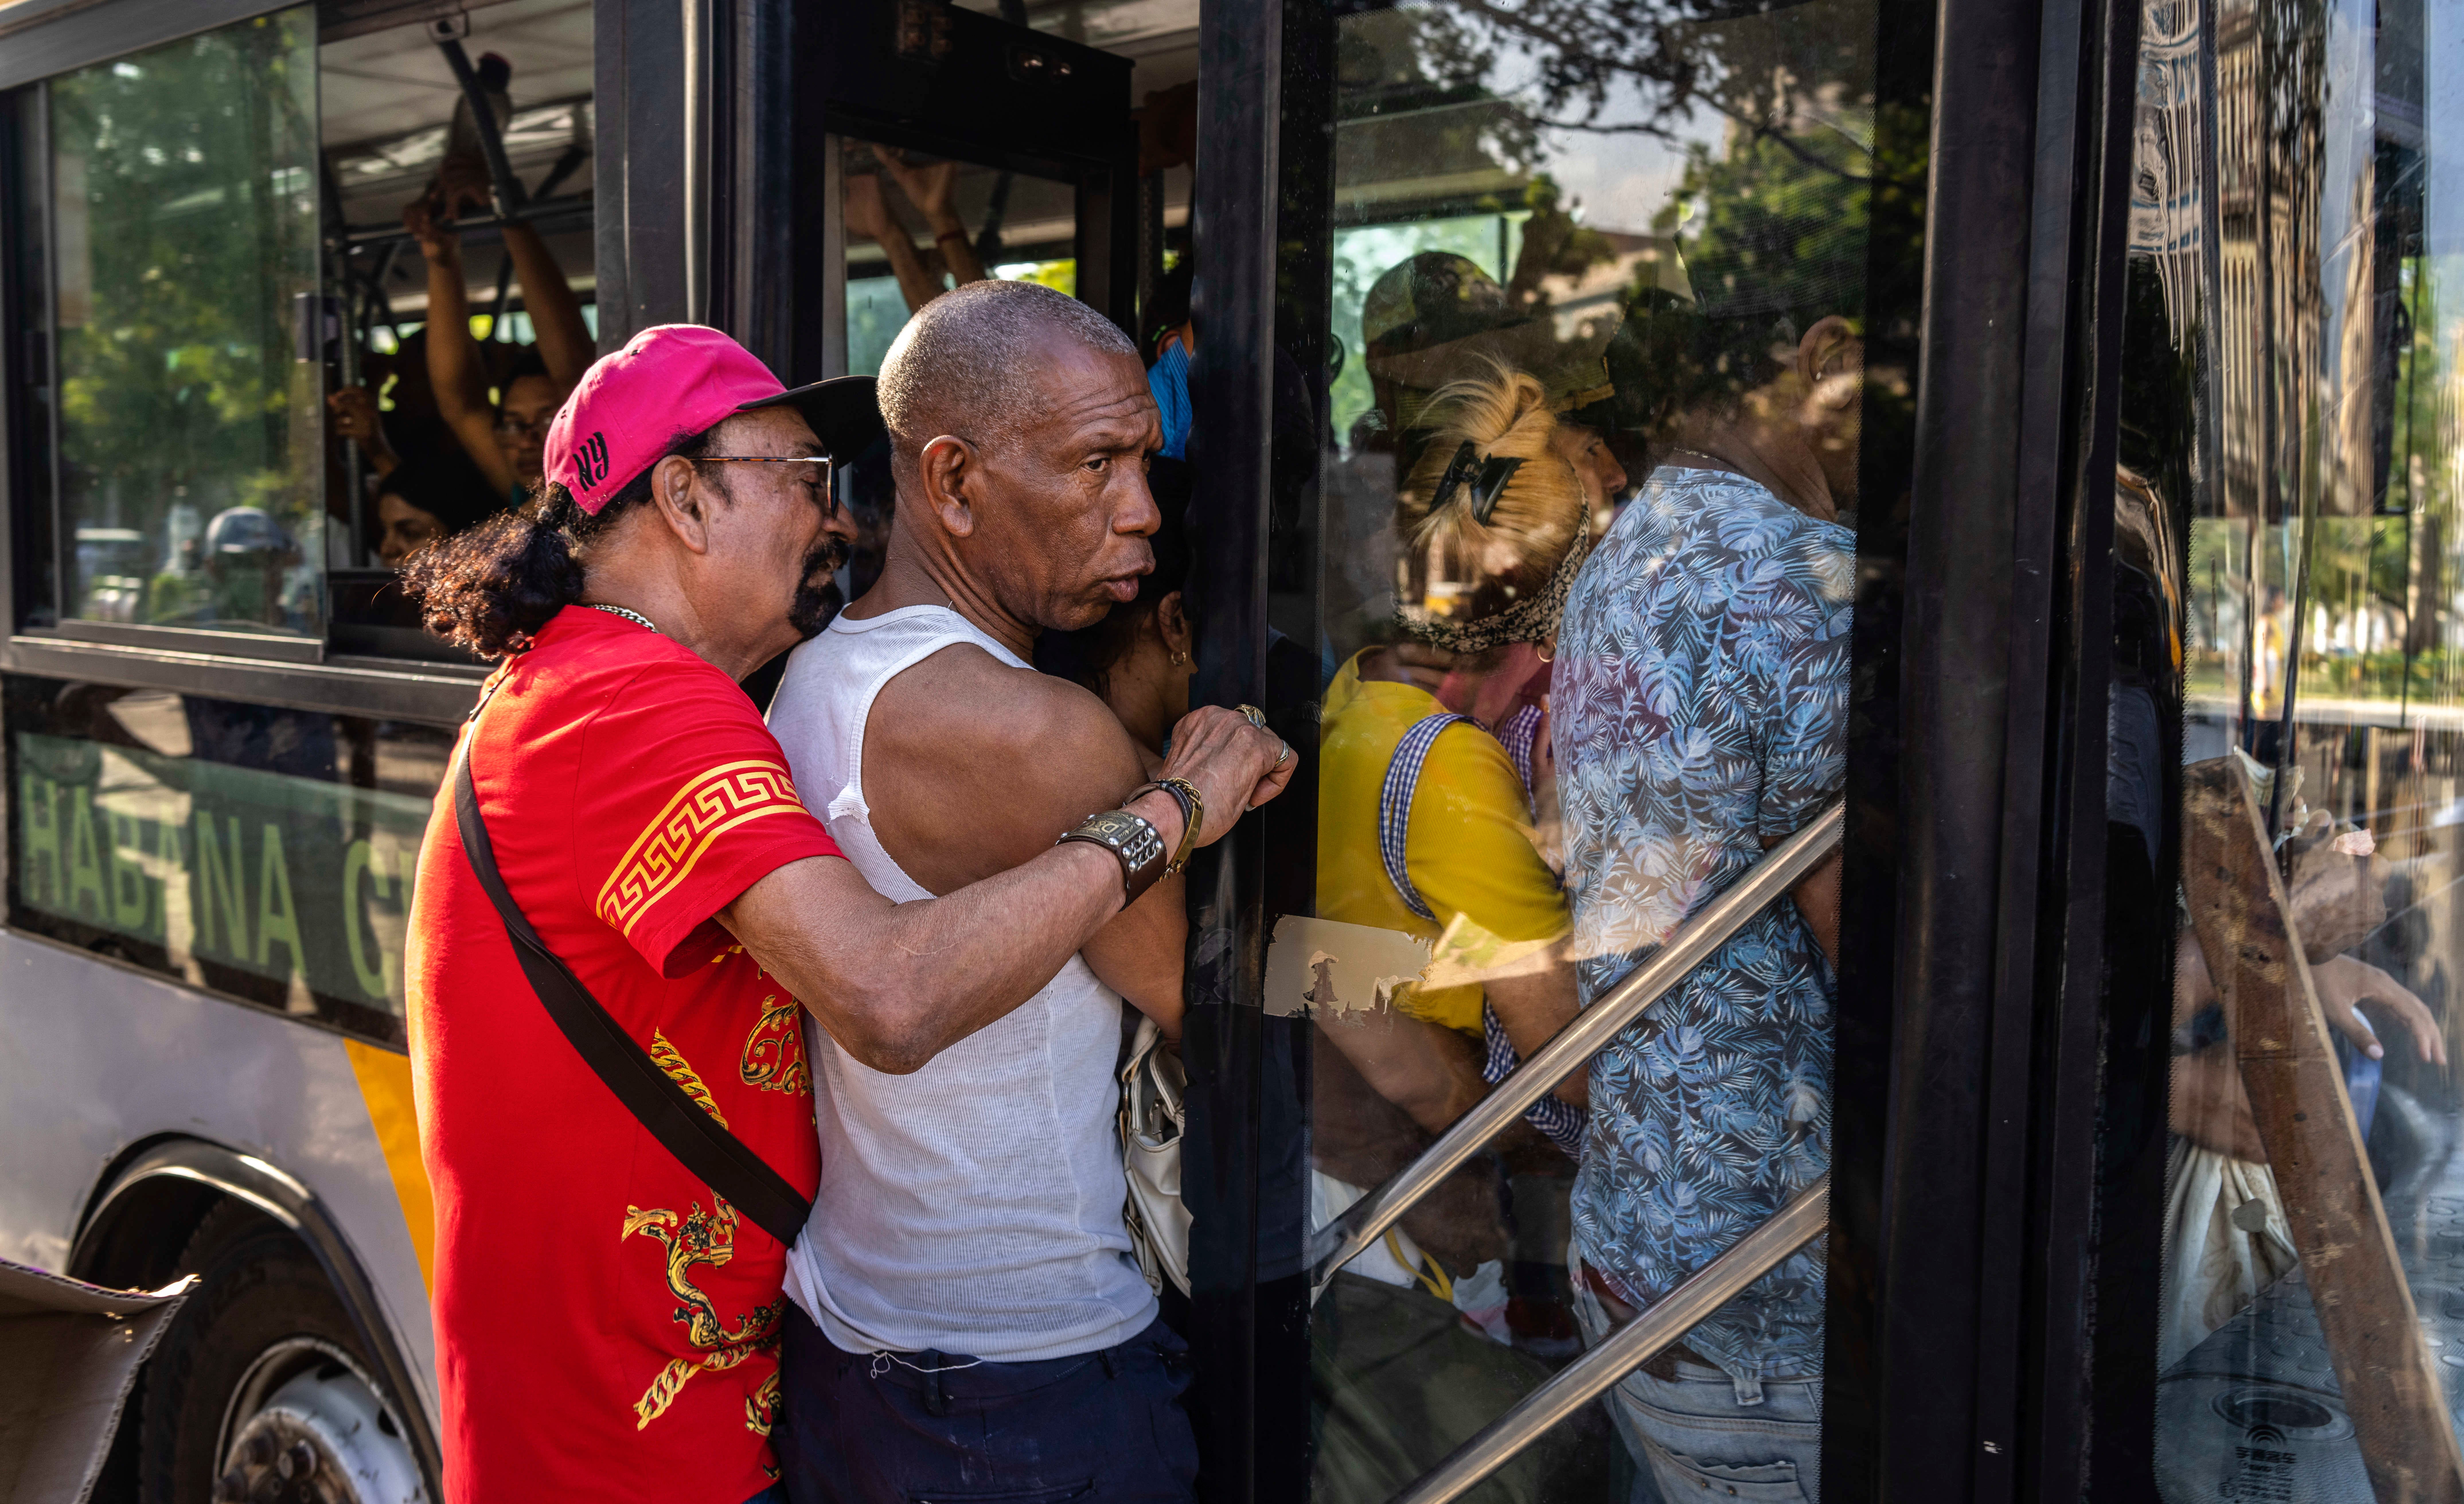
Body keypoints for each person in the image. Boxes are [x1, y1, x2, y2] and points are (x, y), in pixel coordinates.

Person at [398, 322, 1288, 1503]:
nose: (834, 519)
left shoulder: (615, 684)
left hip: (721, 1389)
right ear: (685, 498)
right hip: (631, 1449)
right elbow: (890, 997)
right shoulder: (633, 704)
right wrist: (1173, 808)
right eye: (803, 482)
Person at [763, 279, 1270, 1503]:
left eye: (1143, 459)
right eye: (1095, 464)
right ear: (949, 480)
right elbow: (1207, 1021)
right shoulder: (1046, 735)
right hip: (1031, 1378)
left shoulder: (812, 675)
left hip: (850, 1341)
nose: (1142, 512)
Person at [1549, 247, 1862, 1499]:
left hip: (1637, 1228)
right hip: (1770, 1270)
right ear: (1827, 360)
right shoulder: (1808, 579)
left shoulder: (1622, 560)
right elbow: (1877, 956)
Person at [1305, 364, 1603, 1504]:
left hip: (1349, 1171)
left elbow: (1327, 962)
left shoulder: (1350, 702)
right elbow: (1565, 1058)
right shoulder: (1450, 773)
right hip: (1425, 1214)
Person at [405, 159, 594, 503]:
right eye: (512, 424)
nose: (525, 441)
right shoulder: (524, 492)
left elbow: (577, 378)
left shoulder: (594, 481)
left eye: (549, 420)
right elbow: (461, 405)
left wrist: (512, 221)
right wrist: (441, 259)